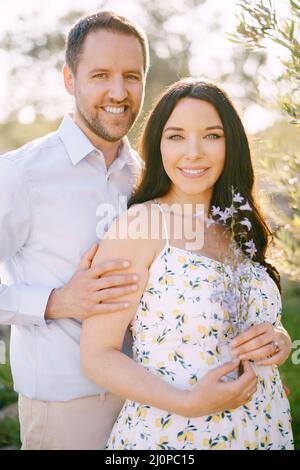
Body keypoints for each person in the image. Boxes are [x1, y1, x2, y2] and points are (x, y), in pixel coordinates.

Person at [80, 78, 294, 450]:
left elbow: (266, 324)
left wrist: (279, 341)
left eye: (211, 136)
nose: (193, 152)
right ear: (157, 145)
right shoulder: (141, 225)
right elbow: (97, 355)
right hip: (175, 436)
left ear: (232, 144)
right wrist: (189, 403)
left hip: (262, 431)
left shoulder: (239, 226)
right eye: (176, 136)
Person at [0, 11, 149, 450]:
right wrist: (56, 302)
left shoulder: (146, 177)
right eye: (101, 75)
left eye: (132, 76)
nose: (118, 92)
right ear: (70, 78)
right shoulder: (20, 174)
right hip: (65, 412)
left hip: (146, 403)